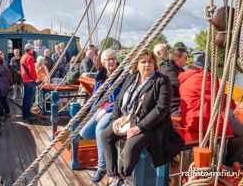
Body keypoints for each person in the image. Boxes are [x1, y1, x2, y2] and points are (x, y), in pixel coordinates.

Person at [101, 50, 184, 186]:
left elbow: (161, 108)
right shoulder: (131, 78)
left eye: (150, 61)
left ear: (154, 63)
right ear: (137, 65)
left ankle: (123, 175)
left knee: (131, 145)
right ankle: (113, 175)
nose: (147, 65)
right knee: (105, 136)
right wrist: (115, 118)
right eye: (143, 62)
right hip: (128, 119)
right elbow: (118, 100)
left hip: (152, 125)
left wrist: (139, 128)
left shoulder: (162, 81)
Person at [179, 51, 243, 168]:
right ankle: (234, 162)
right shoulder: (203, 77)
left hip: (189, 117)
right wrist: (232, 106)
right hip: (203, 119)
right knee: (242, 131)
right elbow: (218, 99)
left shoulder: (187, 75)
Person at [79, 49, 124, 183]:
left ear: (116, 60)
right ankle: (105, 148)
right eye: (108, 59)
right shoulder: (101, 75)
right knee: (85, 133)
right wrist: (90, 110)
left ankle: (102, 168)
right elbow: (96, 96)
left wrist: (105, 110)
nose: (111, 61)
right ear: (103, 62)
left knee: (100, 130)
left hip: (113, 109)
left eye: (113, 59)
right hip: (101, 109)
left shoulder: (122, 76)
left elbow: (121, 100)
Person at [158, 47, 187, 116]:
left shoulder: (176, 68)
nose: (187, 60)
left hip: (175, 105)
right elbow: (184, 88)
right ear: (178, 59)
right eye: (185, 58)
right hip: (173, 108)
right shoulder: (169, 71)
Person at [21, 43, 38, 121]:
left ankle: (24, 114)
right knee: (29, 99)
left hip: (25, 80)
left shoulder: (23, 57)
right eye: (32, 49)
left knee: (25, 98)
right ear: (30, 49)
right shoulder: (30, 57)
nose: (33, 50)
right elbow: (32, 71)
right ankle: (27, 116)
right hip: (30, 81)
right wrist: (35, 78)